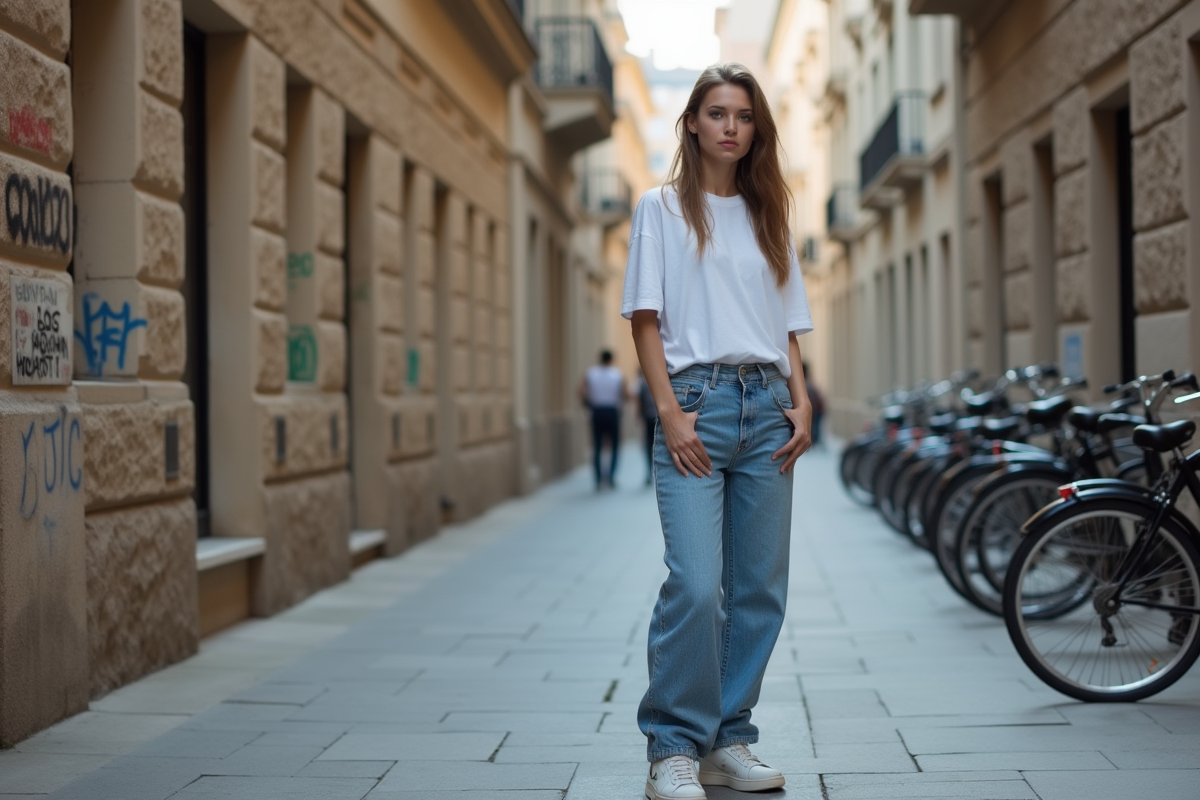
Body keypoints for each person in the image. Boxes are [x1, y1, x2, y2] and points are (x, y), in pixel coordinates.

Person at [621, 63, 813, 800]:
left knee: (759, 589)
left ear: (754, 128)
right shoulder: (661, 209)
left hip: (768, 407)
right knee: (698, 586)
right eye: (717, 113)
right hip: (696, 404)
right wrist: (669, 413)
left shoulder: (771, 213)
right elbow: (645, 320)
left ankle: (730, 737)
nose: (731, 126)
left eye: (743, 115)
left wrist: (801, 403)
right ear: (693, 124)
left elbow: (789, 328)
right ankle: (672, 744)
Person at [578, 349, 625, 490]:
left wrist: (586, 405)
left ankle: (598, 479)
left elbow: (581, 391)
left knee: (597, 446)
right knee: (615, 445)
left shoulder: (591, 373)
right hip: (612, 410)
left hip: (596, 410)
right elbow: (625, 393)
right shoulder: (617, 375)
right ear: (611, 360)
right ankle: (610, 476)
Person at [636, 368, 658, 485]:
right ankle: (654, 472)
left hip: (648, 418)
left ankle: (649, 473)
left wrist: (638, 417)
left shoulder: (643, 385)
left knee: (648, 446)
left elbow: (639, 403)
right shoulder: (659, 382)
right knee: (656, 445)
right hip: (657, 417)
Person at [803, 361, 825, 447]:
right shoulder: (809, 384)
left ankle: (814, 442)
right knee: (814, 427)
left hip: (815, 410)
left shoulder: (806, 385)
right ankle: (815, 442)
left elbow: (813, 399)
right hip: (816, 410)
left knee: (813, 428)